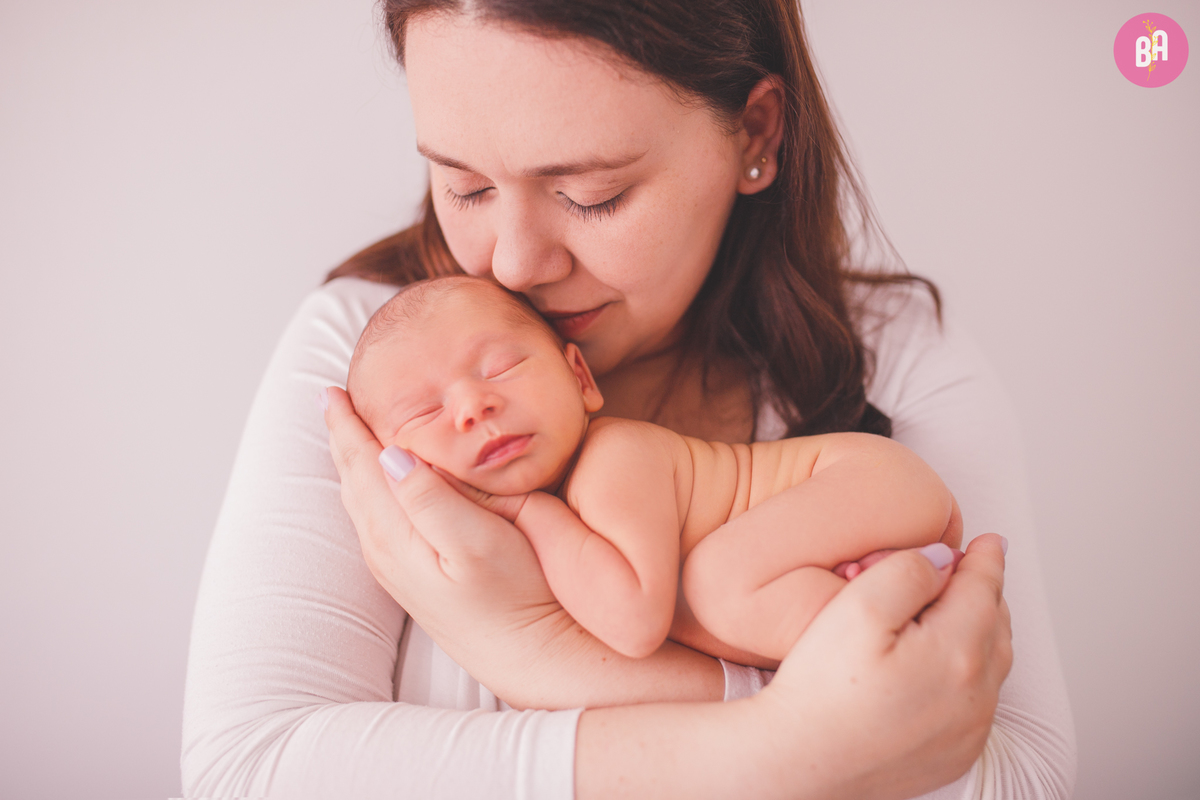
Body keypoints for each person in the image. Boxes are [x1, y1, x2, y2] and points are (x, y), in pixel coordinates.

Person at [182, 1, 1076, 797]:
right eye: (464, 186)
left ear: (755, 134)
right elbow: (250, 767)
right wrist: (778, 748)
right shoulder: (364, 359)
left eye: (591, 195)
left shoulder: (896, 360)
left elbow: (1020, 777)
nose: (513, 264)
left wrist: (525, 647)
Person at [347, 275, 962, 670]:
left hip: (858, 476)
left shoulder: (614, 461)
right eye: (424, 413)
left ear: (582, 380)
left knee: (714, 582)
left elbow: (636, 625)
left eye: (501, 368)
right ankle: (872, 602)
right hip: (860, 509)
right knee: (714, 593)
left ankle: (885, 661)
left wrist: (534, 513)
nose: (471, 407)